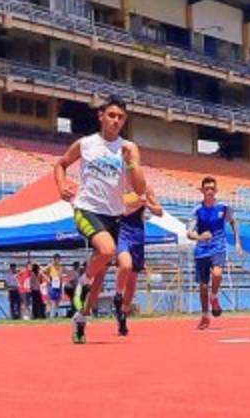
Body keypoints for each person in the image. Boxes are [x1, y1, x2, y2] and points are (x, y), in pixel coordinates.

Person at [54, 95, 147, 344]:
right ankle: (82, 281)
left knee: (99, 281)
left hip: (113, 216)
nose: (116, 121)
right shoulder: (85, 144)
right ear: (101, 116)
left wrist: (131, 164)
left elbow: (139, 189)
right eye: (111, 115)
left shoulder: (129, 148)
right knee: (107, 250)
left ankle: (80, 319)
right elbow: (60, 164)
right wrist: (62, 184)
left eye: (120, 117)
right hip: (86, 209)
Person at [188, 176, 243, 330]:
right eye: (207, 189)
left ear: (216, 190)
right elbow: (189, 233)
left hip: (218, 246)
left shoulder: (223, 207)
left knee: (217, 274)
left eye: (212, 188)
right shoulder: (197, 210)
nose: (210, 191)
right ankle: (205, 315)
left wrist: (238, 242)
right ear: (202, 191)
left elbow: (233, 222)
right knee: (203, 286)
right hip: (201, 250)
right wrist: (200, 237)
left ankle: (215, 296)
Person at [114, 187, 163, 336]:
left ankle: (123, 314)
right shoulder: (119, 188)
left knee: (133, 282)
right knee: (125, 265)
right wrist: (136, 204)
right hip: (122, 232)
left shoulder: (146, 190)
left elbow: (159, 211)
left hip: (138, 236)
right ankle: (117, 296)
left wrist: (146, 203)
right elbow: (119, 213)